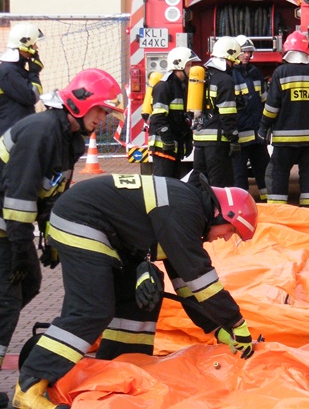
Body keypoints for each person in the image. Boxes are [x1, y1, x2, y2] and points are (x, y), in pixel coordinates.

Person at [13, 174, 260, 409]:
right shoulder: (184, 210)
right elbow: (201, 280)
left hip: (104, 230)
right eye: (231, 230)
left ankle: (117, 371)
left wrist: (218, 329)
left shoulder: (189, 212)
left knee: (140, 302)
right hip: (81, 220)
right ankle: (28, 387)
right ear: (220, 214)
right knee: (91, 310)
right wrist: (235, 323)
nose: (226, 238)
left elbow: (187, 285)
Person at [0, 68, 122, 408]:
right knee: (6, 303)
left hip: (9, 228)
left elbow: (51, 195)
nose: (103, 118)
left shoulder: (68, 138)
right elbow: (18, 198)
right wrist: (22, 250)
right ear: (80, 103)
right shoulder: (40, 132)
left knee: (28, 285)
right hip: (7, 227)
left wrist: (51, 239)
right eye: (100, 110)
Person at [258, 31, 309, 207]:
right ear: (306, 51)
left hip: (284, 139)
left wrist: (263, 127)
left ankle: (278, 210)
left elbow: (272, 107)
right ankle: (308, 209)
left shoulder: (280, 73)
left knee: (278, 173)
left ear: (288, 50)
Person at [192, 37, 241, 187]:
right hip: (217, 142)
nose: (234, 65)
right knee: (219, 183)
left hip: (199, 138)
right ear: (229, 57)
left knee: (198, 180)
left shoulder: (203, 77)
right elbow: (227, 114)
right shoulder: (225, 80)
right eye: (234, 60)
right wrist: (233, 138)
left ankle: (188, 201)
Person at [147, 47, 200, 179]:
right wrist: (167, 140)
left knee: (173, 184)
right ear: (179, 65)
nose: (191, 69)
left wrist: (187, 140)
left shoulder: (182, 86)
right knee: (162, 183)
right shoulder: (164, 86)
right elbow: (158, 117)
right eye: (189, 65)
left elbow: (182, 118)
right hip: (163, 147)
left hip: (174, 146)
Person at [231, 36, 269, 201]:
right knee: (239, 174)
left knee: (265, 170)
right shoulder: (230, 74)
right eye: (243, 52)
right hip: (239, 135)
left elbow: (264, 101)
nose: (247, 55)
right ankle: (241, 204)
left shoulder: (255, 73)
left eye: (249, 52)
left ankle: (268, 203)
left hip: (257, 134)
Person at [0, 23, 44, 137]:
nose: (36, 48)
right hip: (10, 135)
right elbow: (32, 97)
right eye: (34, 44)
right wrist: (34, 73)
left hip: (19, 132)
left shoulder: (16, 69)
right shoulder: (8, 71)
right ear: (25, 45)